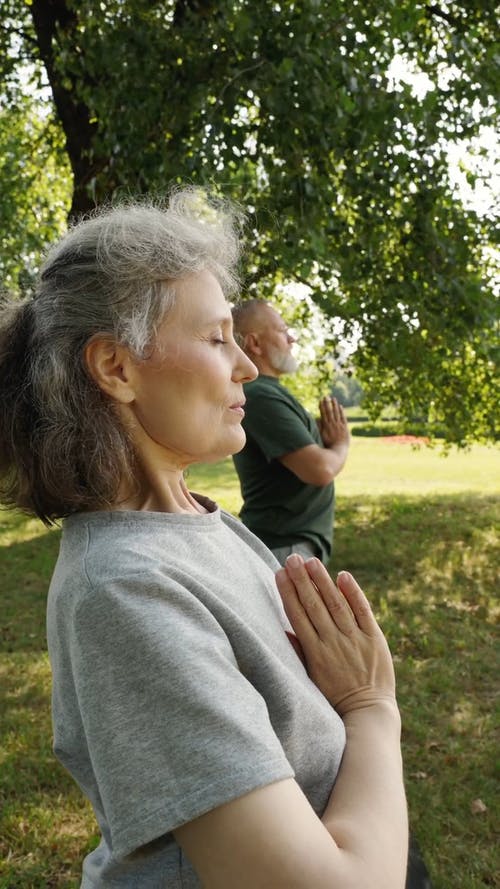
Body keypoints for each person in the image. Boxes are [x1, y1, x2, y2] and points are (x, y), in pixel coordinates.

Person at [0, 189, 408, 888]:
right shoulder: (126, 590)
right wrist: (373, 709)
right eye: (218, 338)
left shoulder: (199, 522)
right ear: (116, 368)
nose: (246, 366)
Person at [232, 298, 350, 566]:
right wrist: (340, 444)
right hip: (286, 550)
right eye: (283, 330)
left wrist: (317, 436)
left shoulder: (268, 391)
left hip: (290, 546)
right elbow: (320, 470)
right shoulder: (261, 395)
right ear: (255, 344)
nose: (292, 339)